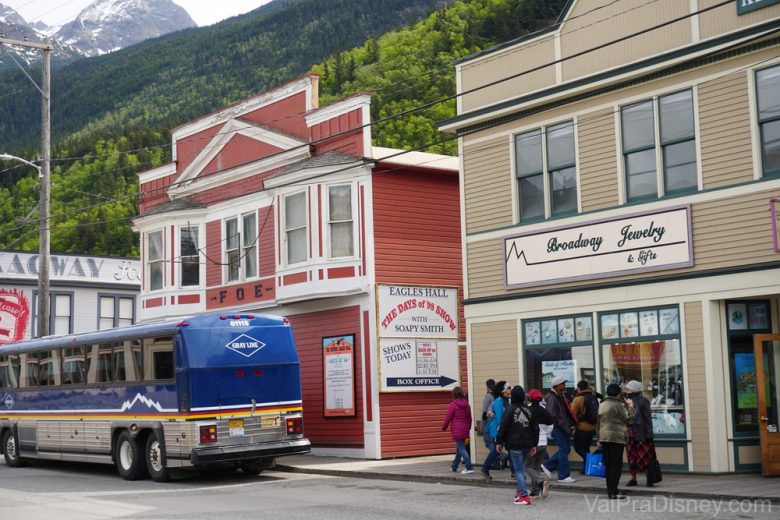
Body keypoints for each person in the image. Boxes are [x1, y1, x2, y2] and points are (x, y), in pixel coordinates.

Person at [496, 385, 539, 506]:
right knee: (520, 468)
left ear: (513, 397)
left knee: (518, 470)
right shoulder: (529, 410)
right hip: (527, 444)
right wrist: (534, 444)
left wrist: (499, 441)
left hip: (514, 444)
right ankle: (519, 493)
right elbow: (536, 428)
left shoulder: (509, 409)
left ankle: (524, 496)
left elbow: (503, 427)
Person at [597, 382, 635, 499]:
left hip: (604, 437)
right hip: (616, 438)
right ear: (618, 394)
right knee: (616, 465)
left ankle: (611, 491)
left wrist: (598, 438)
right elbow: (629, 420)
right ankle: (614, 492)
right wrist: (631, 406)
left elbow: (598, 422)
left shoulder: (602, 404)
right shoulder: (619, 404)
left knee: (608, 465)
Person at [541, 376, 578, 483]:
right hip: (557, 427)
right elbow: (551, 415)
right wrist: (556, 426)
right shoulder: (552, 397)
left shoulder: (558, 395)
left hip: (560, 427)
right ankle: (563, 475)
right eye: (562, 384)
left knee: (565, 449)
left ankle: (548, 465)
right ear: (557, 386)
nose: (564, 385)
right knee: (564, 449)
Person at [624, 380, 656, 487]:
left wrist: (649, 435)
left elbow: (648, 419)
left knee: (645, 458)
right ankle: (633, 478)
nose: (626, 391)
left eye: (628, 389)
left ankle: (649, 478)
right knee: (631, 458)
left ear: (634, 389)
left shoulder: (643, 401)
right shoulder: (626, 401)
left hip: (642, 434)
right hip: (630, 434)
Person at [480, 380, 512, 480]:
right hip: (499, 429)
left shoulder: (508, 401)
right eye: (508, 388)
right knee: (496, 450)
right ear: (503, 391)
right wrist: (501, 435)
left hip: (506, 429)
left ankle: (514, 472)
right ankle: (485, 469)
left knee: (509, 450)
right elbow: (500, 419)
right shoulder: (499, 402)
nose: (510, 389)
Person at [525, 388, 553, 499]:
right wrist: (545, 435)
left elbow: (525, 427)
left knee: (528, 467)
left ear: (529, 398)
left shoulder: (527, 411)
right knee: (536, 467)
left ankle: (541, 482)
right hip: (543, 443)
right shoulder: (545, 411)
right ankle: (535, 492)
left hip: (532, 443)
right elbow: (550, 427)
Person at [442, 386, 474, 474]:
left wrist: (444, 427)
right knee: (459, 449)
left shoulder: (453, 405)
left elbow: (448, 418)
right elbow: (469, 418)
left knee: (462, 449)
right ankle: (454, 466)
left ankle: (469, 467)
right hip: (465, 430)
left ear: (454, 394)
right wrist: (468, 428)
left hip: (457, 430)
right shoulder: (467, 405)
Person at [571, 380, 599, 468]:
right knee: (586, 448)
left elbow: (572, 414)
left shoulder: (578, 398)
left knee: (578, 448)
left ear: (578, 388)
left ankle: (591, 462)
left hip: (582, 428)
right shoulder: (593, 397)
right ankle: (587, 468)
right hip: (592, 428)